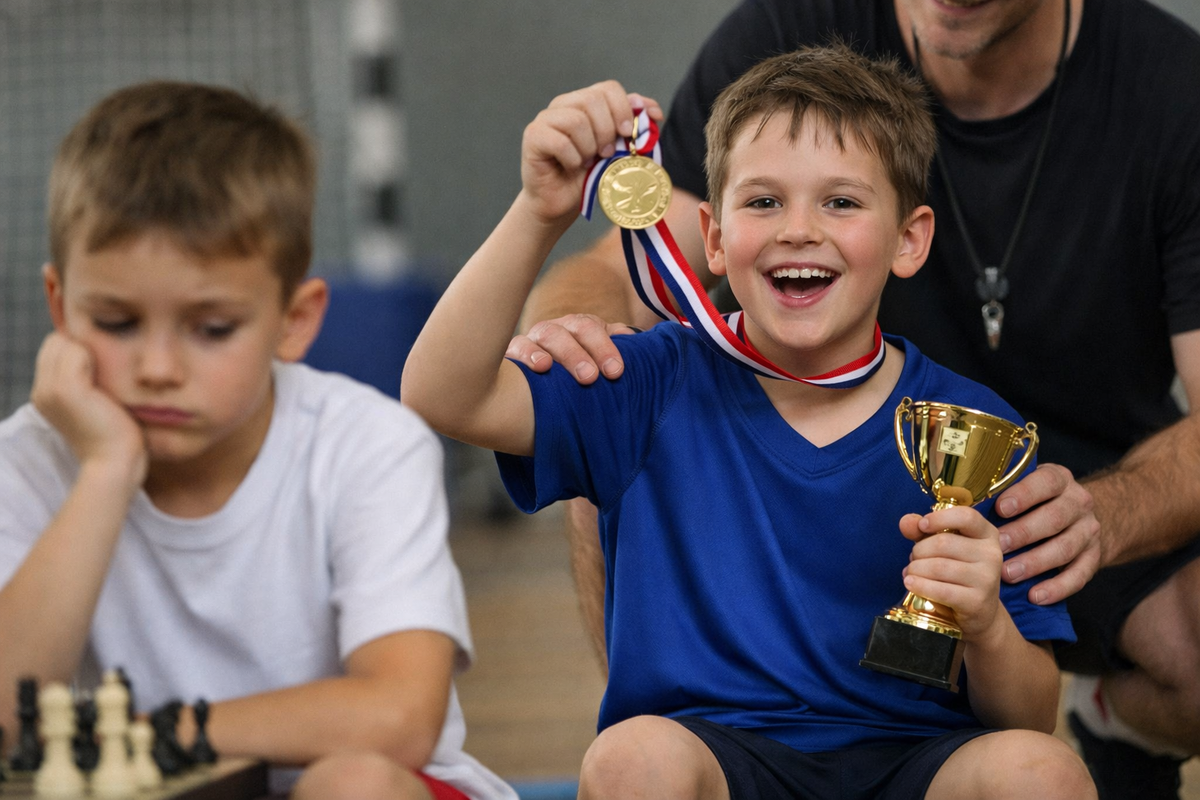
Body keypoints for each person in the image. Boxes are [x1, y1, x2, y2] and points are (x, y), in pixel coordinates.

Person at [506, 1, 1200, 797]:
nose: (800, 225)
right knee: (611, 437)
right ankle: (677, 723)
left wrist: (1104, 515)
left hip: (1081, 488)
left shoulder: (1173, 88)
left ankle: (1120, 727)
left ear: (912, 234)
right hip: (811, 430)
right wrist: (575, 357)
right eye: (768, 202)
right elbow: (618, 266)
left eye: (839, 200)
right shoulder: (783, 37)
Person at [0, 81, 515, 800]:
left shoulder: (368, 444)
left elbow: (400, 718)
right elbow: (6, 721)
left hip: (379, 789)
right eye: (116, 323)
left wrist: (156, 735)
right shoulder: (31, 460)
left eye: (212, 329)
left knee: (351, 784)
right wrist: (107, 470)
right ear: (61, 306)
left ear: (294, 321)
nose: (157, 370)